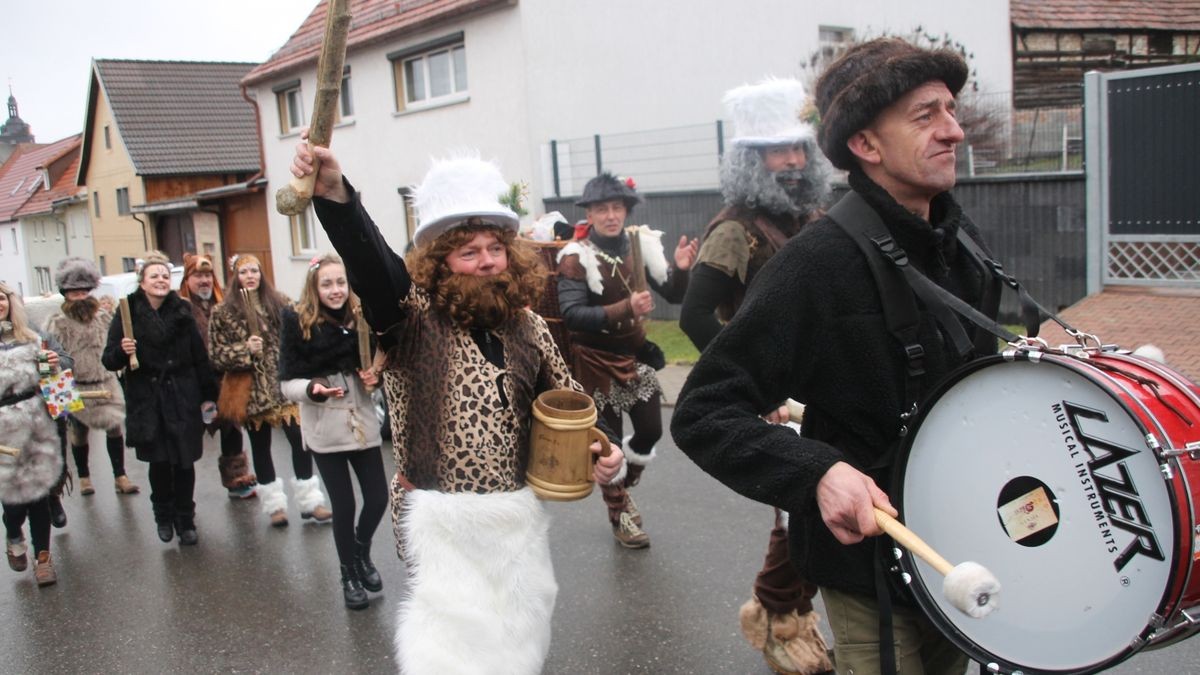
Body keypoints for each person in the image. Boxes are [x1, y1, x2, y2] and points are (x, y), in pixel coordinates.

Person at [673, 38, 995, 675]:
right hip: (868, 558)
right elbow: (705, 408)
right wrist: (816, 470)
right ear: (866, 146)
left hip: (957, 537)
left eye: (951, 111)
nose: (953, 131)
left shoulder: (963, 245)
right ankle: (777, 616)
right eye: (925, 115)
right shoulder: (817, 260)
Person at [291, 140, 625, 674]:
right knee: (453, 651)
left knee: (520, 640)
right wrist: (334, 192)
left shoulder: (529, 328)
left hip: (516, 520)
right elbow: (370, 262)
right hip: (440, 517)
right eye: (468, 252)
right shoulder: (407, 317)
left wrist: (603, 453)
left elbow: (571, 408)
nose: (485, 262)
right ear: (440, 260)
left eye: (494, 248)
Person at [678, 78, 834, 675]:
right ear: (751, 160)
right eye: (777, 151)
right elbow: (693, 314)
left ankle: (790, 609)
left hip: (825, 379)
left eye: (797, 148)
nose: (792, 162)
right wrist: (748, 387)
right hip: (776, 391)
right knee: (807, 500)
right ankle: (775, 615)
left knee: (829, 500)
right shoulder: (733, 230)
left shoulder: (815, 216)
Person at [555, 172, 697, 548]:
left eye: (617, 207)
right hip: (592, 363)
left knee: (651, 431)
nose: (611, 215)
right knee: (610, 444)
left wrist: (682, 269)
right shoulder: (574, 257)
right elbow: (572, 314)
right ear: (590, 213)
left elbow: (672, 293)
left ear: (625, 210)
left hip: (634, 358)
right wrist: (625, 307)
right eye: (602, 209)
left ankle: (624, 487)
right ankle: (620, 515)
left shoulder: (639, 243)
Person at [279, 253, 389, 610]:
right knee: (344, 504)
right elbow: (286, 383)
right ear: (315, 286)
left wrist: (375, 373)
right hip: (325, 426)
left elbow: (378, 362)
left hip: (361, 423)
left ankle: (361, 552)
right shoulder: (298, 322)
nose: (336, 289)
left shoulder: (361, 318)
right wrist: (313, 388)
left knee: (377, 498)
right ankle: (348, 574)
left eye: (340, 282)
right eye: (327, 283)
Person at [102, 252, 218, 546]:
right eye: (154, 276)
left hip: (182, 395)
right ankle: (163, 514)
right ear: (142, 281)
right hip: (148, 400)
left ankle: (186, 519)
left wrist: (208, 395)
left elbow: (198, 356)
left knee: (184, 462)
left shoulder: (182, 310)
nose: (160, 281)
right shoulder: (127, 311)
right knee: (160, 463)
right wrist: (122, 351)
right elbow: (109, 360)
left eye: (165, 276)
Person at [208, 254, 331, 527]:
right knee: (260, 447)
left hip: (282, 384)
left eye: (254, 270)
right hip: (252, 391)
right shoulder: (223, 311)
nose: (250, 276)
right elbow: (216, 355)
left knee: (300, 441)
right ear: (235, 277)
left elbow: (302, 332)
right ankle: (275, 506)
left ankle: (311, 501)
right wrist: (244, 350)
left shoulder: (280, 302)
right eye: (244, 271)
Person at [43, 257, 140, 497]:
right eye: (74, 292)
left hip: (105, 381)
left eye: (84, 290)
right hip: (75, 385)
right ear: (65, 293)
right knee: (78, 433)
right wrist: (58, 399)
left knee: (115, 427)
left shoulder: (104, 318)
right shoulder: (57, 324)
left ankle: (120, 476)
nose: (80, 296)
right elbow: (49, 358)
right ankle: (85, 477)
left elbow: (119, 345)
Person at [0, 281, 72, 586]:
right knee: (15, 499)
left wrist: (57, 364)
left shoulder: (33, 335)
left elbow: (66, 365)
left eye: (0, 298)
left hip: (38, 421)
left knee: (40, 494)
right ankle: (14, 532)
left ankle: (43, 557)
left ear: (10, 301)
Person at [177, 252, 256, 499]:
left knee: (232, 429)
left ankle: (236, 479)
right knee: (189, 435)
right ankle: (181, 488)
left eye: (208, 275)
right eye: (198, 275)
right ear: (187, 279)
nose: (204, 281)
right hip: (194, 383)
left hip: (225, 379)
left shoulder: (223, 305)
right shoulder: (181, 309)